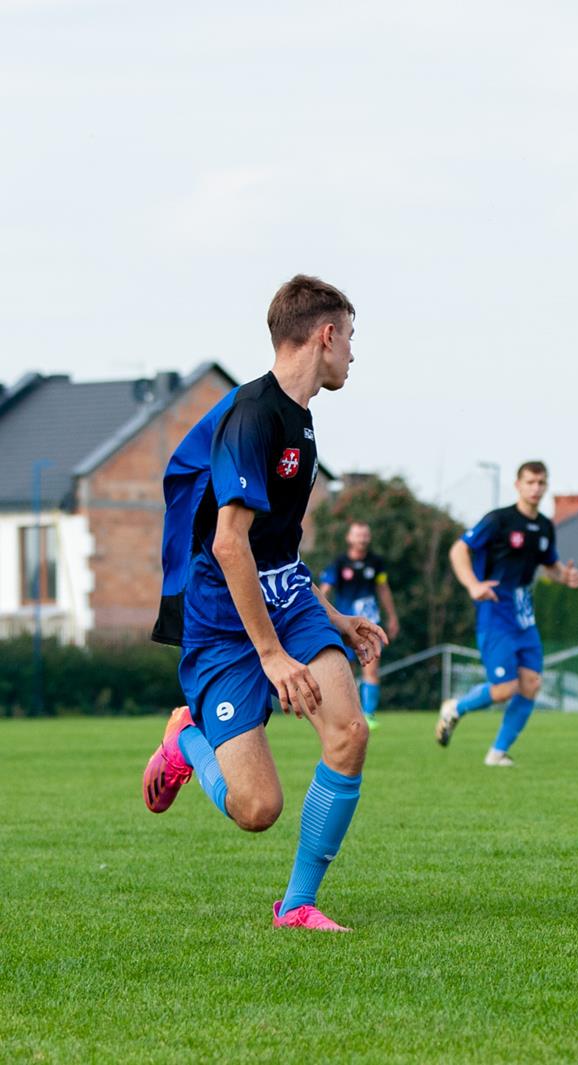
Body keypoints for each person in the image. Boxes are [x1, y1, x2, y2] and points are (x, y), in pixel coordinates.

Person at [141, 275, 385, 932]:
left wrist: (332, 617)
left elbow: (278, 549)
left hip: (288, 603)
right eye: (352, 339)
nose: (354, 355)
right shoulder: (252, 414)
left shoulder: (301, 423)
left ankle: (298, 904)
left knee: (349, 732)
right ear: (325, 335)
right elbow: (229, 545)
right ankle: (186, 738)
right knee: (257, 809)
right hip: (224, 625)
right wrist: (272, 654)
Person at [434, 462, 578, 766]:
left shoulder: (544, 526)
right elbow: (458, 550)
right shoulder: (498, 521)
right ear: (518, 485)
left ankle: (497, 753)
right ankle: (455, 708)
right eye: (530, 482)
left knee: (531, 684)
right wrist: (473, 585)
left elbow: (550, 566)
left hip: (524, 613)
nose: (536, 488)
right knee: (503, 689)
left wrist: (564, 577)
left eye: (541, 482)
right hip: (494, 610)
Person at [319, 521, 399, 728]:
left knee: (371, 668)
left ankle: (369, 715)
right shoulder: (339, 563)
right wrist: (319, 613)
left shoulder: (376, 562)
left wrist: (392, 616)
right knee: (346, 671)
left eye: (365, 535)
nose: (362, 539)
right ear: (349, 538)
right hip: (345, 626)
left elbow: (383, 589)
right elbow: (324, 589)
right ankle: (348, 713)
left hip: (369, 624)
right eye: (358, 535)